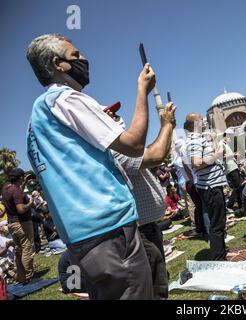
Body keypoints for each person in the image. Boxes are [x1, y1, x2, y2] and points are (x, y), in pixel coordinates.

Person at [26, 34, 154, 299]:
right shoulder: (67, 99)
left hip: (81, 236)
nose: (84, 59)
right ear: (57, 64)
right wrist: (142, 91)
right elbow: (133, 144)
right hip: (109, 228)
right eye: (75, 56)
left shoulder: (37, 117)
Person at [105, 102, 175, 299]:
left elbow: (156, 150)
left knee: (157, 277)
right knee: (153, 285)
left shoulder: (119, 148)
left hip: (146, 226)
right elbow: (157, 155)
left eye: (115, 112)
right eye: (109, 114)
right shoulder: (111, 150)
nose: (116, 116)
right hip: (139, 229)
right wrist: (167, 125)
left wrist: (167, 129)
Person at [185, 112, 228, 261]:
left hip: (213, 184)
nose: (203, 120)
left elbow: (212, 155)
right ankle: (219, 258)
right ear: (194, 123)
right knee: (217, 224)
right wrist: (216, 156)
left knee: (220, 221)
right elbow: (196, 163)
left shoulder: (200, 139)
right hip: (210, 186)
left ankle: (221, 253)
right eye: (200, 119)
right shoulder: (194, 140)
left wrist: (214, 141)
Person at [1, 168, 35, 284]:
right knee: (27, 249)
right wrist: (30, 203)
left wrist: (24, 183)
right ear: (20, 177)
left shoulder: (6, 188)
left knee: (18, 250)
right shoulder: (16, 190)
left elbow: (16, 194)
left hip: (12, 223)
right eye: (23, 177)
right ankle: (29, 277)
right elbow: (20, 209)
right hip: (22, 223)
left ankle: (21, 277)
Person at [219, 129, 243, 213]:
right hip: (230, 168)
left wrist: (234, 157)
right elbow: (222, 157)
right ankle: (241, 206)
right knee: (238, 187)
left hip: (232, 167)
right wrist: (234, 155)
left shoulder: (225, 144)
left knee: (237, 188)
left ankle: (231, 204)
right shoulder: (221, 144)